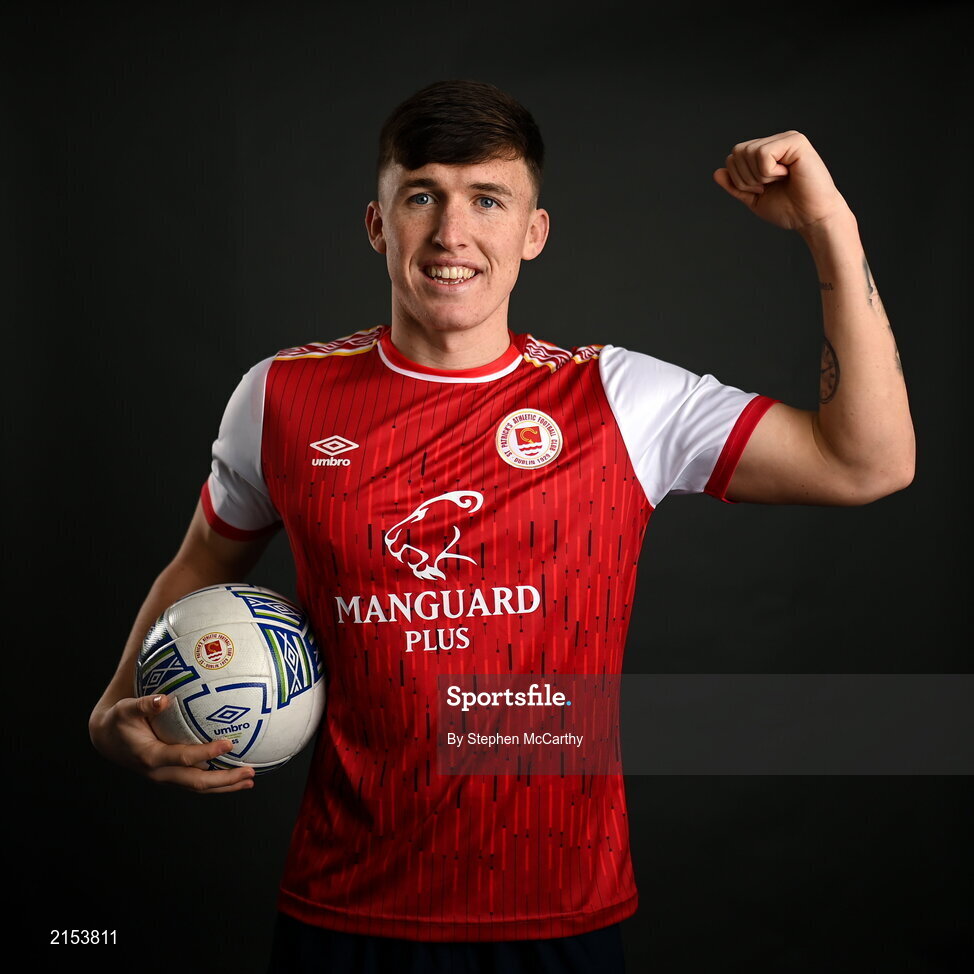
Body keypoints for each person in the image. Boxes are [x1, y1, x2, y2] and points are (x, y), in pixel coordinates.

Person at [89, 79, 915, 972]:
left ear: (533, 233)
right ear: (378, 223)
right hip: (343, 911)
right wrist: (111, 708)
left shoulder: (617, 399)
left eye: (487, 199)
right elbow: (206, 557)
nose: (452, 232)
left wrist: (834, 232)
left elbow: (867, 462)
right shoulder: (281, 397)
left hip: (561, 915)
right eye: (422, 196)